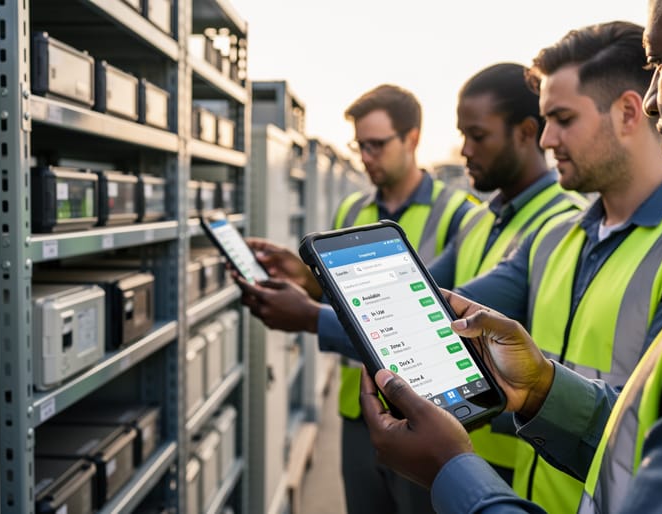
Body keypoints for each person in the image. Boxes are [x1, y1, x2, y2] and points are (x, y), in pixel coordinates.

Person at [360, 1, 662, 513]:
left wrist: (452, 472)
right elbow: (643, 445)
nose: (654, 100)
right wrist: (542, 389)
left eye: (659, 62)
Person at [239, 66, 587, 508]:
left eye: (477, 135)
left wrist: (309, 317)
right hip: (421, 419)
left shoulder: (553, 224)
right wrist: (309, 280)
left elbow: (431, 320)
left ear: (524, 132)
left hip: (495, 440)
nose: (464, 150)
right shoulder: (484, 219)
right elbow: (412, 300)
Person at [243, 83, 476, 514]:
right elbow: (341, 299)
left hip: (426, 414)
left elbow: (452, 317)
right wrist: (305, 281)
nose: (366, 157)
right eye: (360, 145)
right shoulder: (351, 211)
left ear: (412, 138)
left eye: (376, 145)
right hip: (358, 411)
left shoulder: (458, 214)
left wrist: (310, 316)